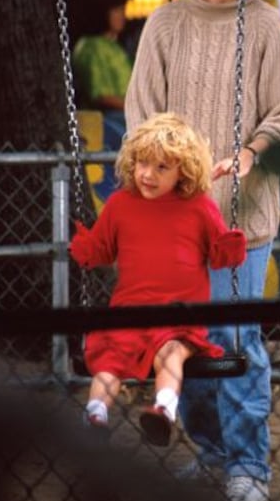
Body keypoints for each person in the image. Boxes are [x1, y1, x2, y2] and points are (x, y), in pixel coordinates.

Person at [125, 0, 280, 501]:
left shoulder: (266, 26)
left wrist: (251, 154)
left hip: (240, 216)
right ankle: (210, 453)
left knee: (234, 340)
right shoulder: (164, 25)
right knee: (185, 342)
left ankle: (249, 465)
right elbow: (142, 117)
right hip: (175, 220)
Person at [69, 112, 246, 448]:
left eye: (161, 167)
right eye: (142, 164)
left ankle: (163, 410)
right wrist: (86, 248)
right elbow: (102, 250)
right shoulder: (120, 204)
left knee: (171, 352)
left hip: (180, 316)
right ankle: (95, 415)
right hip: (130, 313)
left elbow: (221, 254)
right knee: (109, 360)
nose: (147, 174)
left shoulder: (198, 207)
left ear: (184, 171)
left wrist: (231, 245)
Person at [72, 0, 133, 200]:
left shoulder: (115, 46)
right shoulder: (90, 47)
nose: (122, 15)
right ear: (102, 12)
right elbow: (100, 94)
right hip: (109, 122)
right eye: (117, 10)